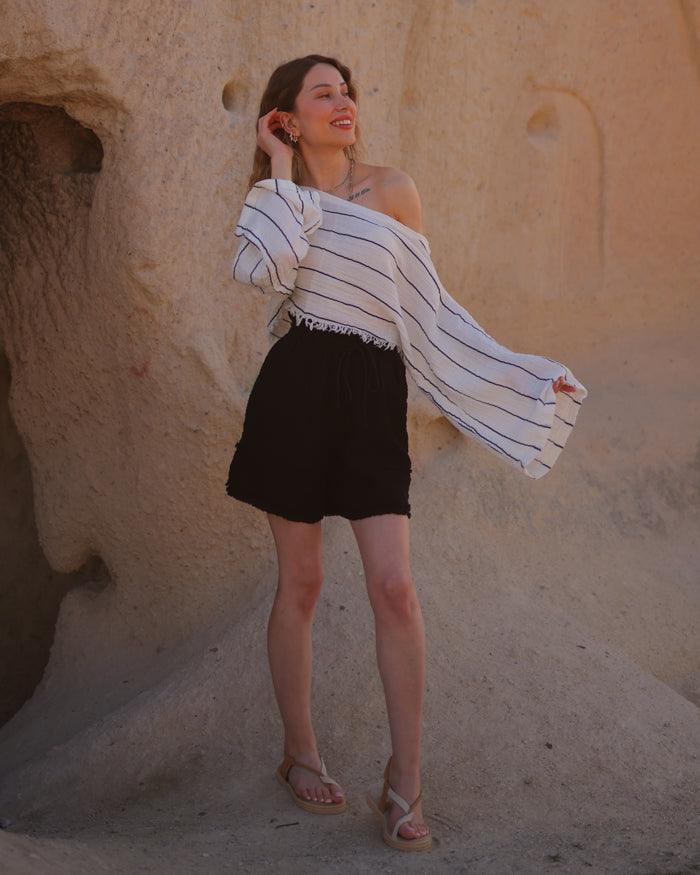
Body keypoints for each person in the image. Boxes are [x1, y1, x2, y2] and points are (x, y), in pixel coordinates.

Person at [226, 53, 579, 853]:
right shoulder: (276, 197)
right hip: (297, 387)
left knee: (395, 588)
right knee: (303, 581)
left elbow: (431, 312)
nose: (344, 102)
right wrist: (280, 170)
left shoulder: (394, 189)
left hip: (372, 395)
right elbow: (261, 268)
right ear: (288, 115)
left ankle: (405, 780)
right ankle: (300, 751)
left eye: (348, 91)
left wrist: (518, 375)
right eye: (324, 94)